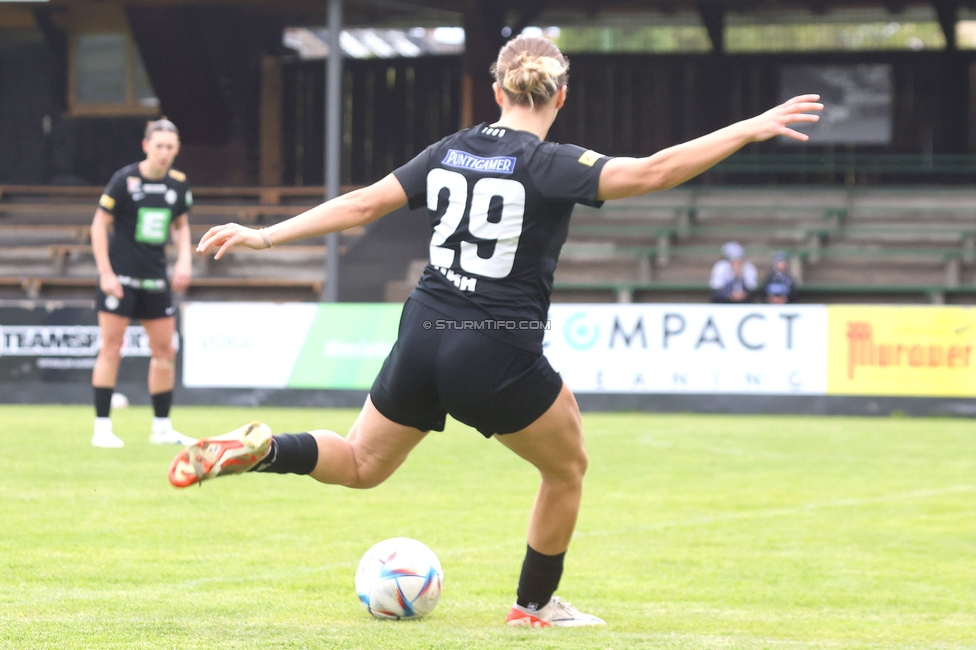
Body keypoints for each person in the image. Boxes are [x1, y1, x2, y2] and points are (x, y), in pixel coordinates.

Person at [168, 36, 821, 626]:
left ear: (496, 91)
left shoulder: (450, 150)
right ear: (560, 95)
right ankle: (533, 607)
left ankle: (265, 448)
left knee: (364, 464)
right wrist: (746, 127)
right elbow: (651, 172)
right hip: (494, 343)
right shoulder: (552, 163)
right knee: (567, 470)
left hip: (423, 327)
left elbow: (364, 203)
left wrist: (265, 233)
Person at [90, 118, 197, 448]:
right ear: (146, 146)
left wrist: (184, 259)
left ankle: (162, 428)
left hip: (155, 279)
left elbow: (180, 225)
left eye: (170, 147)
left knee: (165, 350)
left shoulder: (178, 184)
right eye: (159, 146)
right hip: (120, 280)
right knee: (111, 348)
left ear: (177, 149)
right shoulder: (124, 180)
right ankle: (102, 428)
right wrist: (106, 273)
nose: (164, 153)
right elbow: (98, 226)